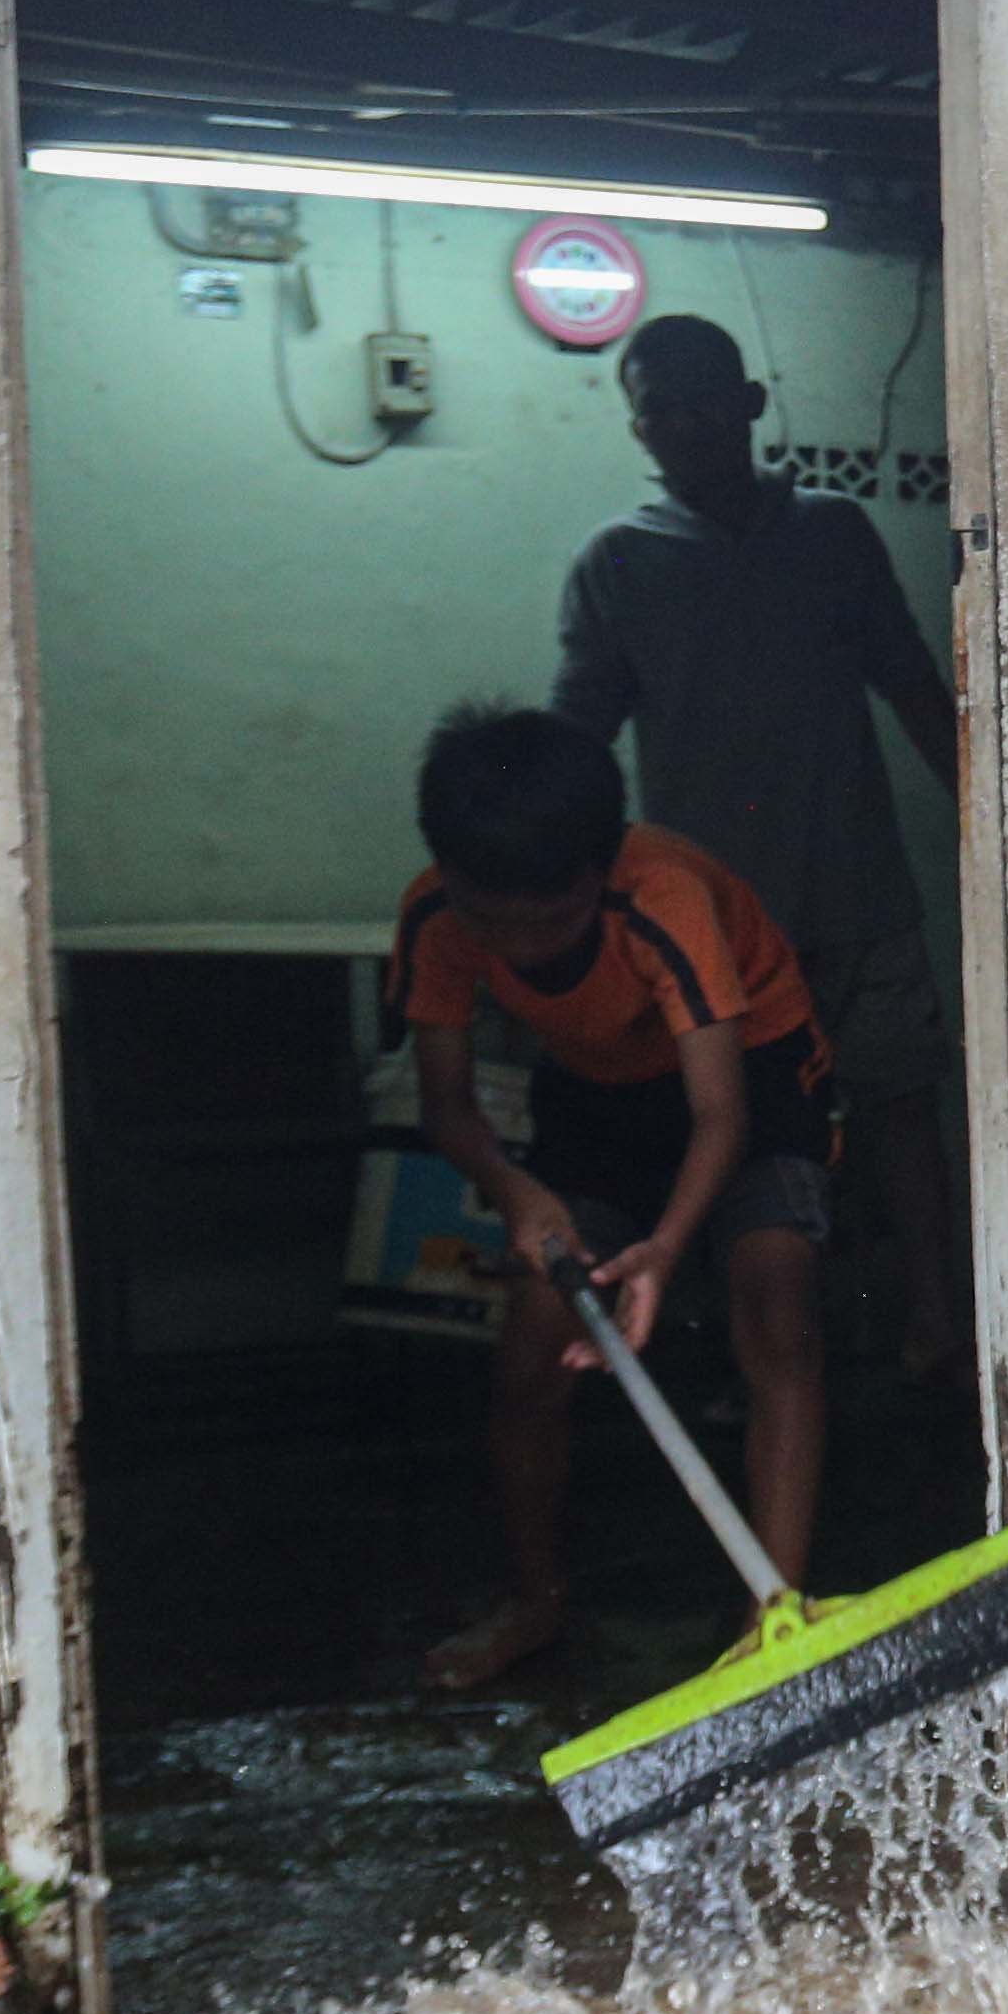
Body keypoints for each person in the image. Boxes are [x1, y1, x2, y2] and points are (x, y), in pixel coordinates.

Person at [549, 313, 971, 1384]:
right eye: (659, 409)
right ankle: (740, 1369)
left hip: (857, 892)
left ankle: (941, 1330)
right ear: (638, 430)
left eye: (703, 398)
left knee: (902, 1111)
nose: (684, 424)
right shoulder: (618, 564)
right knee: (726, 1140)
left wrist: (1005, 830)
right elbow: (575, 747)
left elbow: (915, 688)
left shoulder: (832, 535)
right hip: (713, 936)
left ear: (749, 403)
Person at [394, 707, 835, 1690]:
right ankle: (535, 1601)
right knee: (533, 1330)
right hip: (597, 1096)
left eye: (548, 922)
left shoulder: (663, 897)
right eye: (489, 921)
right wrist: (516, 1192)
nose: (518, 946)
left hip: (750, 1075)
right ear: (448, 876)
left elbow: (719, 1116)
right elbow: (448, 1106)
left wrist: (665, 1248)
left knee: (777, 1297)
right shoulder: (435, 916)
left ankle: (773, 1627)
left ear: (599, 873)